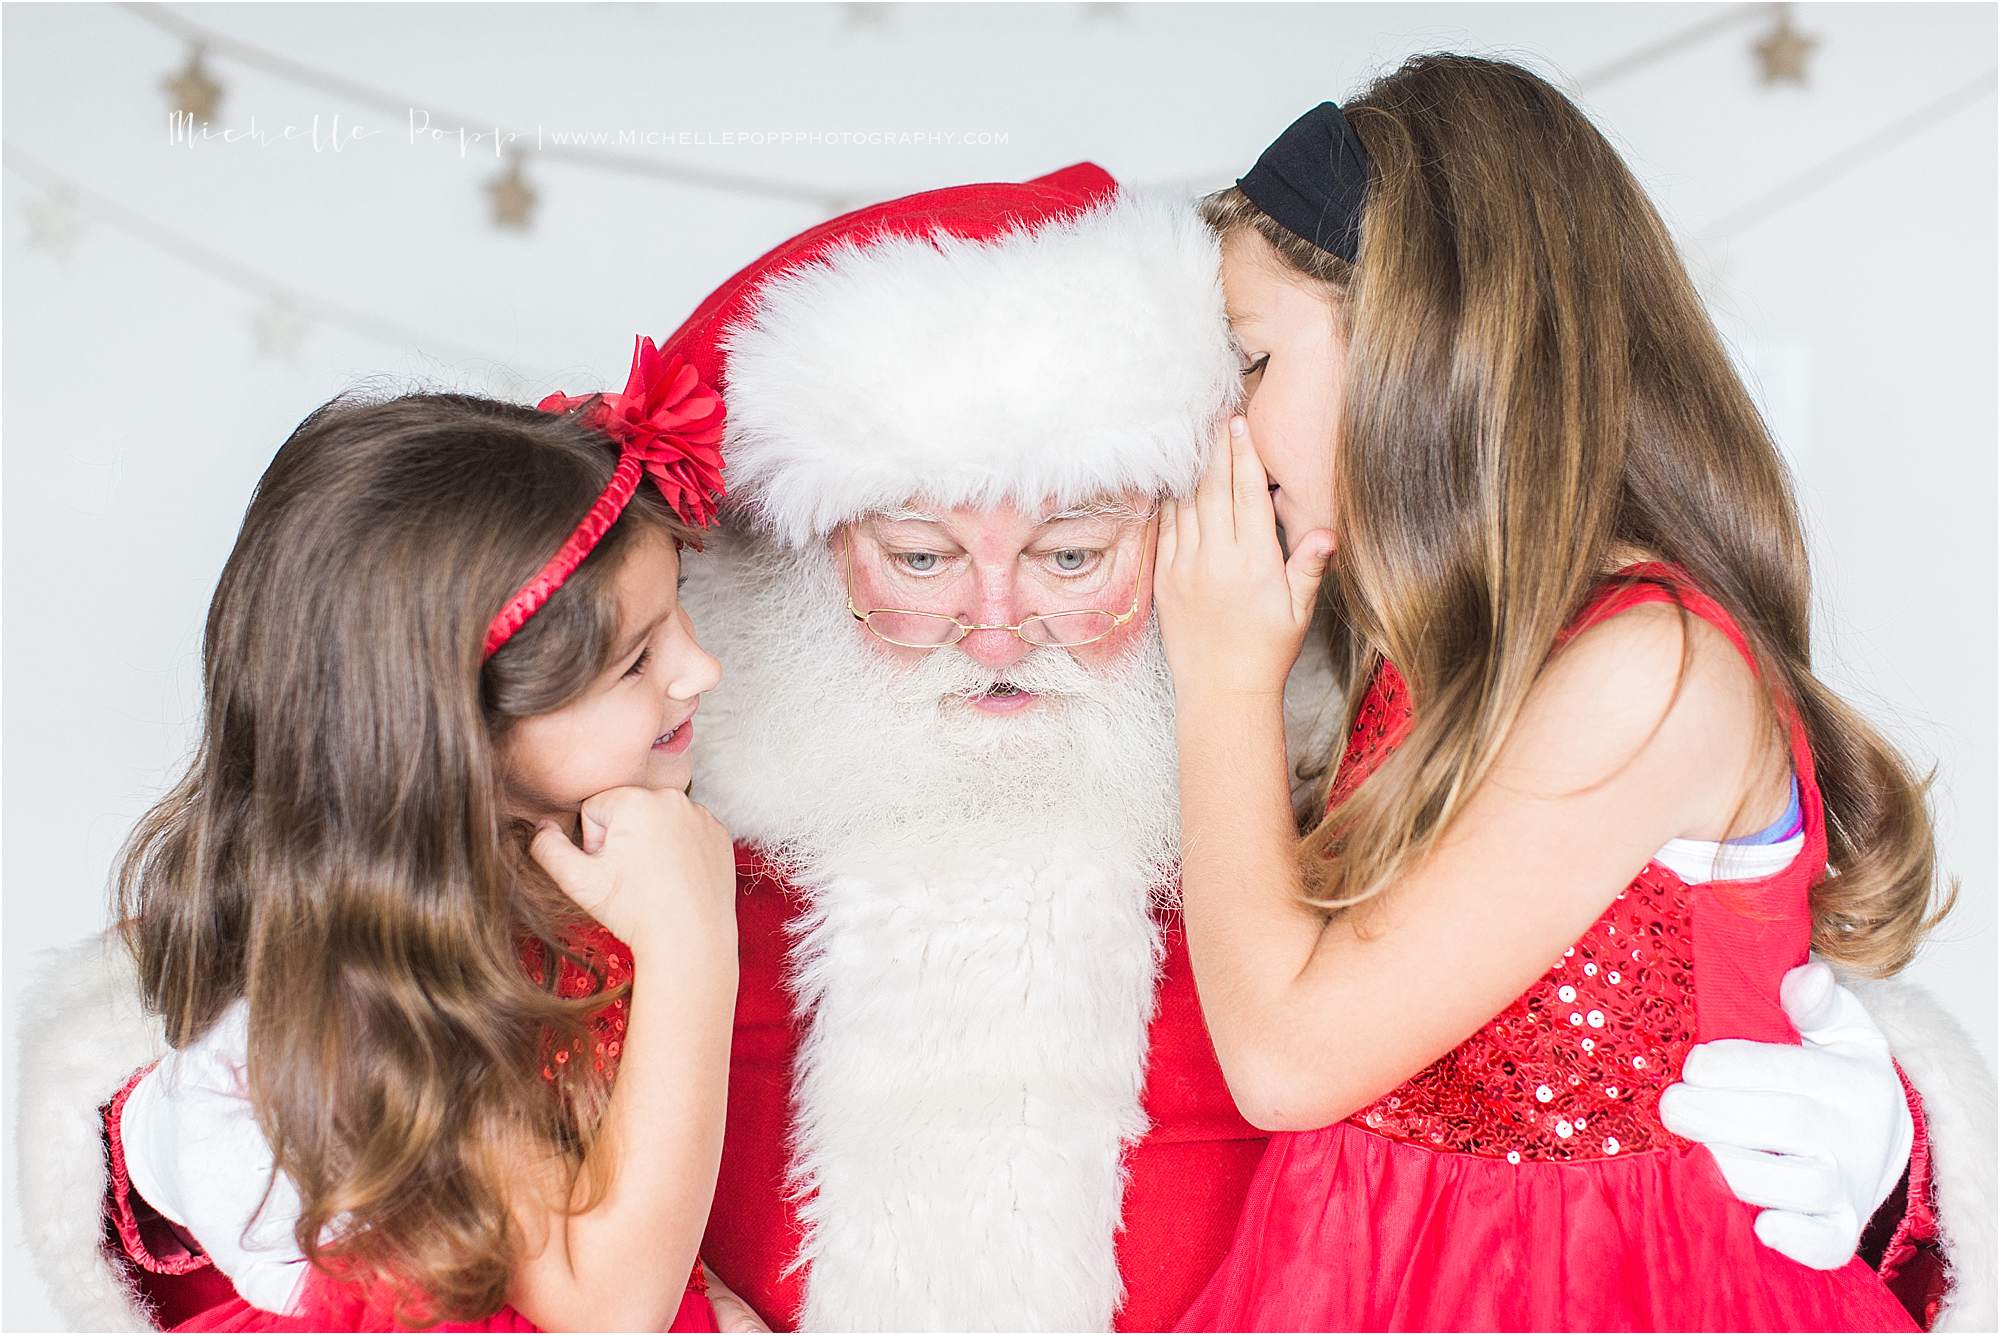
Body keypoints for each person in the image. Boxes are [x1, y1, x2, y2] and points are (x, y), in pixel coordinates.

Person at [650, 165, 1989, 1330]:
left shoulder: (1311, 775)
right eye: (921, 555)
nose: (998, 626)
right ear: (806, 566)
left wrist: (1903, 1154)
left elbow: (1659, 1010)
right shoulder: (674, 861)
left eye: (1072, 554)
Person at [1155, 56, 1987, 1330]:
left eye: (1252, 361)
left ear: (1414, 348)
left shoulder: (1646, 671)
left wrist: (1216, 685)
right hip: (1359, 1274)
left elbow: (1281, 1060)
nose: (1224, 421)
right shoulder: (1431, 652)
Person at [17, 340, 737, 1330]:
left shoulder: (532, 848)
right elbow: (610, 1312)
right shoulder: (381, 981)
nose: (700, 671)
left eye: (681, 617)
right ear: (457, 734)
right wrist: (693, 951)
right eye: (634, 663)